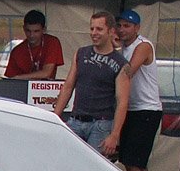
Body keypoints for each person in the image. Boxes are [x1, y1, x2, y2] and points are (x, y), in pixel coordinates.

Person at [53, 11, 130, 158]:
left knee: (92, 165)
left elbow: (122, 102)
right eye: (92, 28)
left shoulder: (122, 64)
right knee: (66, 161)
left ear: (111, 31)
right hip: (76, 120)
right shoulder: (81, 53)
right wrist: (55, 117)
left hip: (101, 124)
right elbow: (68, 86)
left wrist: (114, 135)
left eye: (99, 29)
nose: (94, 33)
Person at [115, 10, 162, 171]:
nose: (122, 30)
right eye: (119, 26)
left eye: (126, 26)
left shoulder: (143, 46)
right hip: (130, 108)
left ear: (137, 28)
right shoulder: (122, 48)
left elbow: (128, 71)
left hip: (146, 109)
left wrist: (113, 52)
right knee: (130, 160)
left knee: (135, 162)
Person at [4, 10, 64, 80]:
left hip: (45, 86)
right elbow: (12, 80)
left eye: (36, 31)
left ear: (44, 29)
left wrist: (20, 77)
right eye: (28, 31)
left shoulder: (52, 42)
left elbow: (47, 73)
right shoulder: (17, 52)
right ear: (24, 29)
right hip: (23, 86)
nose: (31, 35)